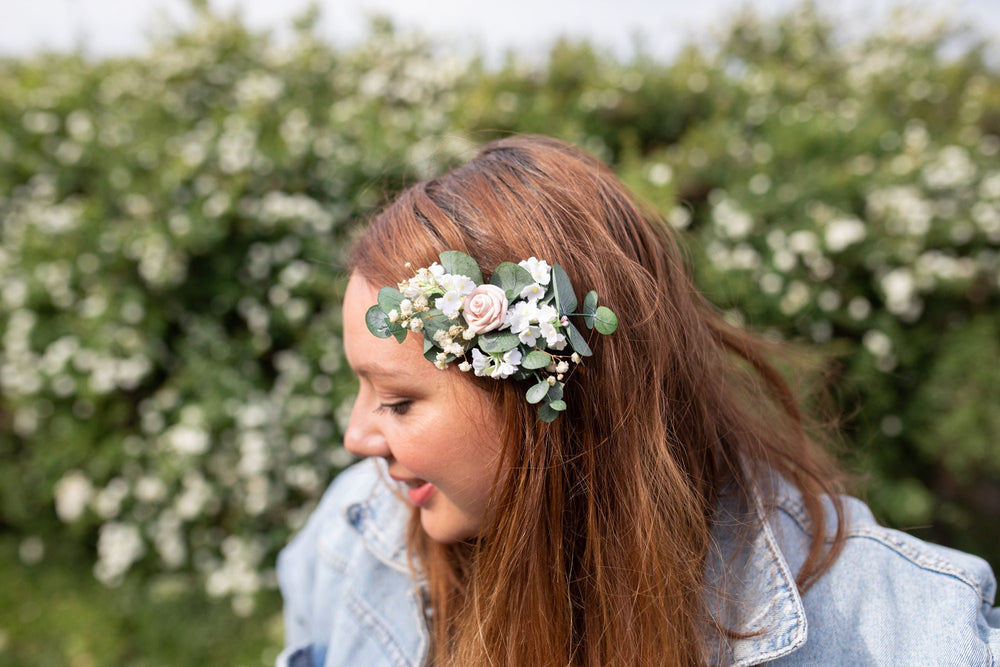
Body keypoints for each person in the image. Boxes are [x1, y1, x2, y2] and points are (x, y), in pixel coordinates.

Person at [276, 135, 999, 666]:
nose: (356, 436)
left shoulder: (898, 628)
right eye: (362, 387)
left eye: (399, 401)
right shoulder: (351, 535)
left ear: (549, 398)